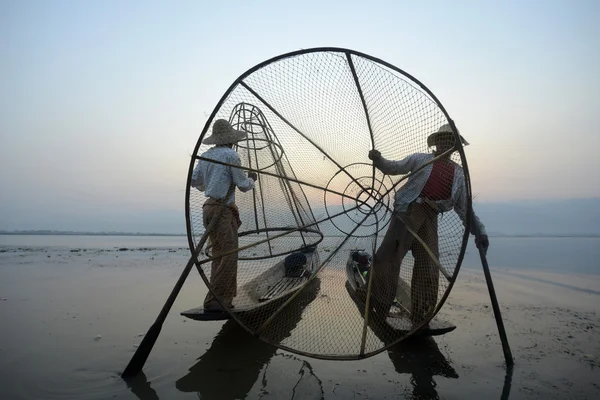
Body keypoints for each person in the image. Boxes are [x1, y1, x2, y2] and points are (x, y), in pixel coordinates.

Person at [367, 123, 489, 323]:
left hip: (430, 216)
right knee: (389, 258)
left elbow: (464, 208)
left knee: (429, 265)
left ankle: (421, 313)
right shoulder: (420, 159)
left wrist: (480, 231)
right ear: (436, 143)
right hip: (408, 213)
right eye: (442, 140)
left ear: (455, 147)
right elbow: (394, 167)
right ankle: (377, 304)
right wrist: (378, 159)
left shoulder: (458, 173)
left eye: (450, 142)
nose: (445, 144)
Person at [191, 119, 257, 313]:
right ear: (230, 140)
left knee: (219, 254)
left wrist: (210, 185)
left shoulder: (206, 155)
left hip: (208, 209)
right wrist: (251, 179)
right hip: (222, 211)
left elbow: (195, 181)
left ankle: (218, 299)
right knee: (228, 255)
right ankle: (218, 301)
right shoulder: (231, 155)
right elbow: (243, 185)